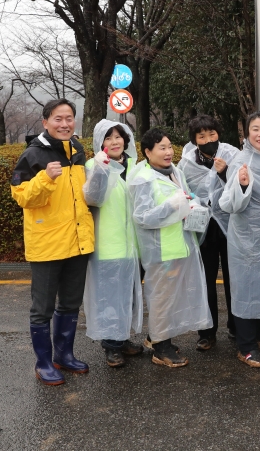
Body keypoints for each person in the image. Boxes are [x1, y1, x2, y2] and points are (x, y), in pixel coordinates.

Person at [11, 98, 94, 386]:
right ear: (45, 122)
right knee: (42, 307)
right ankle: (43, 362)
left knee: (71, 303)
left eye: (69, 118)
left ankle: (64, 355)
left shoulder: (78, 150)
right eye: (58, 119)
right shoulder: (32, 154)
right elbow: (21, 196)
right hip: (47, 244)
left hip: (77, 241)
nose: (65, 124)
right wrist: (45, 178)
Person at [128, 128, 212, 367]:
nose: (167, 152)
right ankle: (161, 348)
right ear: (147, 152)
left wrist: (193, 203)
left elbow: (185, 195)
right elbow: (142, 217)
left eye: (169, 147)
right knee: (161, 298)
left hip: (181, 244)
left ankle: (158, 338)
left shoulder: (173, 171)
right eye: (161, 148)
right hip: (160, 250)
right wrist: (173, 206)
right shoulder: (143, 179)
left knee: (172, 298)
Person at [219, 112, 260, 368]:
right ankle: (245, 345)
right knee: (247, 288)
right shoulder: (241, 161)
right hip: (248, 238)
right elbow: (228, 203)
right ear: (246, 133)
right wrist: (242, 186)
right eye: (255, 129)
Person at [82, 120, 144, 368]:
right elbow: (93, 199)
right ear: (100, 143)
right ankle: (111, 345)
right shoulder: (93, 165)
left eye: (119, 137)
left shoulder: (136, 167)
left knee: (128, 295)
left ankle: (123, 337)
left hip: (134, 245)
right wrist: (100, 169)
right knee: (109, 297)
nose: (115, 142)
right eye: (108, 138)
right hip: (109, 244)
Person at [179, 115, 240, 350]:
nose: (208, 139)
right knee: (205, 281)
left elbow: (240, 188)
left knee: (234, 279)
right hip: (202, 227)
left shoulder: (231, 155)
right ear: (194, 140)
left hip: (230, 226)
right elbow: (184, 192)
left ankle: (236, 327)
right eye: (201, 136)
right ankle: (207, 332)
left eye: (212, 134)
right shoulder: (186, 163)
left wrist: (224, 173)